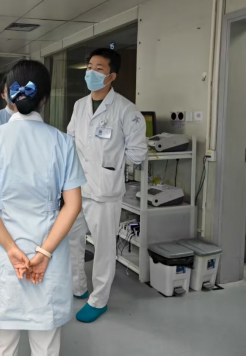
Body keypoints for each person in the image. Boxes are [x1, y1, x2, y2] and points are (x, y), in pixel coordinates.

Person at [0, 60, 86, 357]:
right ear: (44, 98)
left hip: (2, 251)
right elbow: (72, 205)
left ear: (8, 94)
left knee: (2, 342)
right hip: (47, 246)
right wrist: (44, 253)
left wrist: (10, 249)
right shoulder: (62, 142)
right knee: (45, 341)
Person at [68, 48, 147, 323]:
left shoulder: (126, 110)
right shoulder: (79, 106)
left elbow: (137, 153)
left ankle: (98, 300)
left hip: (104, 191)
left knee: (103, 248)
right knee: (73, 241)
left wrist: (110, 165)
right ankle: (77, 286)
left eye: (98, 68)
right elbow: (71, 141)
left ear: (111, 76)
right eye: (89, 67)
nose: (91, 72)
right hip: (76, 188)